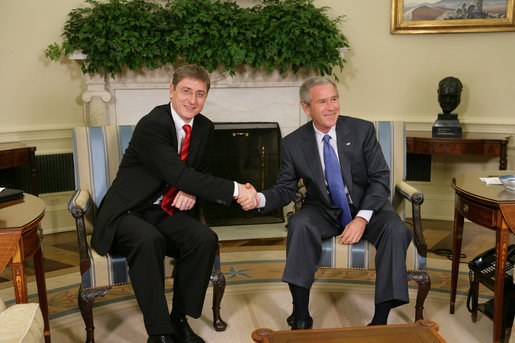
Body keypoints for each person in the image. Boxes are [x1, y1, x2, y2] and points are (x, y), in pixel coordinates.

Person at [92, 64, 258, 343]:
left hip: (164, 211)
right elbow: (179, 174)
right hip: (127, 211)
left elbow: (198, 174)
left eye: (200, 94)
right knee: (148, 240)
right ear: (171, 91)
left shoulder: (204, 127)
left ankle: (179, 318)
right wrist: (236, 189)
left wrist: (191, 192)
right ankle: (159, 333)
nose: (192, 100)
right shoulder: (152, 125)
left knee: (204, 238)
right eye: (186, 91)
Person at [240, 76, 412, 330]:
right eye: (323, 102)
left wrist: (362, 218)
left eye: (334, 99)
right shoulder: (293, 143)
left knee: (397, 230)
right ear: (306, 108)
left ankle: (379, 322)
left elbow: (380, 178)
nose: (332, 107)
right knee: (299, 224)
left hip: (367, 206)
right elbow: (286, 189)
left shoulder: (361, 130)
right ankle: (301, 316)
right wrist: (259, 198)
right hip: (323, 209)